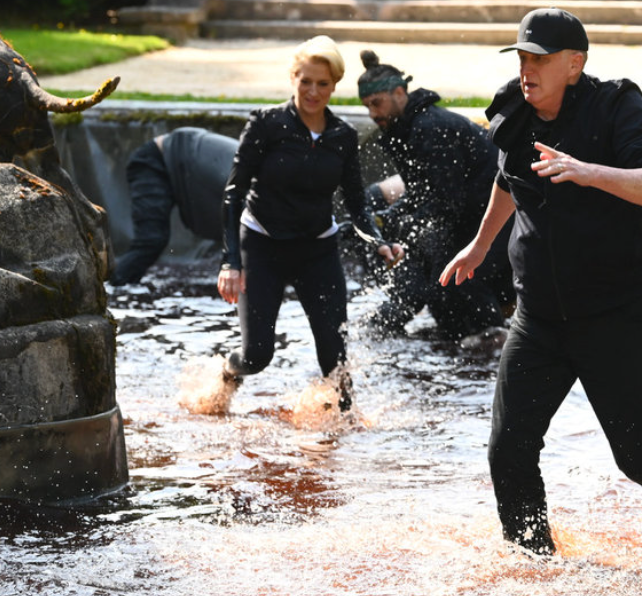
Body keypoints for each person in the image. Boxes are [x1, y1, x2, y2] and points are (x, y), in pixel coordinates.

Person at [439, 7, 642, 555]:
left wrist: (588, 172)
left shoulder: (617, 105)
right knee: (508, 450)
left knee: (638, 456)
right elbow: (508, 180)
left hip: (616, 318)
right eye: (522, 57)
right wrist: (479, 246)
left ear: (574, 64)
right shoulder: (516, 110)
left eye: (540, 59)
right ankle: (534, 564)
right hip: (539, 318)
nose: (527, 69)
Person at [216, 35, 382, 412]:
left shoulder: (343, 136)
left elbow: (356, 202)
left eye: (323, 83)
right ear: (293, 78)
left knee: (336, 362)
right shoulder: (266, 124)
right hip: (262, 246)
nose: (313, 91)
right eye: (305, 81)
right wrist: (231, 262)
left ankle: (347, 435)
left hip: (317, 251)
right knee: (257, 355)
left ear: (334, 85)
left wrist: (377, 240)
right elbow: (233, 193)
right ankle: (227, 371)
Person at [356, 50, 513, 340]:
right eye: (367, 107)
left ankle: (498, 349)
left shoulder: (430, 128)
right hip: (468, 216)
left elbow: (445, 203)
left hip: (501, 213)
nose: (373, 114)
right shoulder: (403, 128)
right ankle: (456, 348)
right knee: (438, 287)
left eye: (376, 103)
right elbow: (422, 195)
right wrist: (383, 221)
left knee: (462, 282)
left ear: (399, 93)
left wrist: (396, 224)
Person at [110, 127, 237, 286]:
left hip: (188, 159)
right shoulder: (251, 188)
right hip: (156, 159)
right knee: (151, 240)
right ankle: (111, 288)